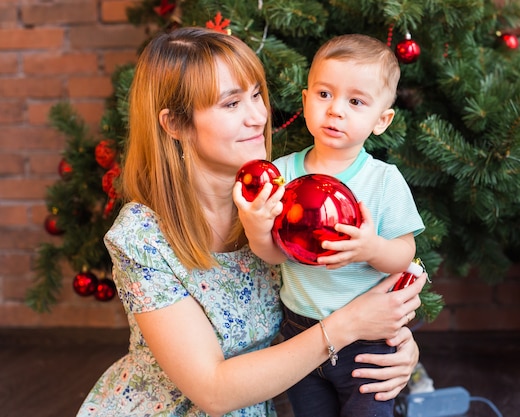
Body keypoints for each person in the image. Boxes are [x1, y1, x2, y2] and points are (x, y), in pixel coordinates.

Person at [76, 27, 428, 417]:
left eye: (256, 95)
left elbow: (376, 265)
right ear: (175, 124)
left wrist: (397, 343)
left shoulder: (282, 200)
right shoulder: (142, 237)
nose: (258, 117)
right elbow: (213, 393)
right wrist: (350, 326)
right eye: (231, 104)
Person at [235, 34, 425, 417]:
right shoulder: (283, 173)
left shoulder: (384, 180)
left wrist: (373, 249)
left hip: (367, 341)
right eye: (324, 95)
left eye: (355, 102)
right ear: (305, 102)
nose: (336, 110)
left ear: (381, 121)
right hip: (299, 333)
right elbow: (275, 253)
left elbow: (406, 254)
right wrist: (256, 227)